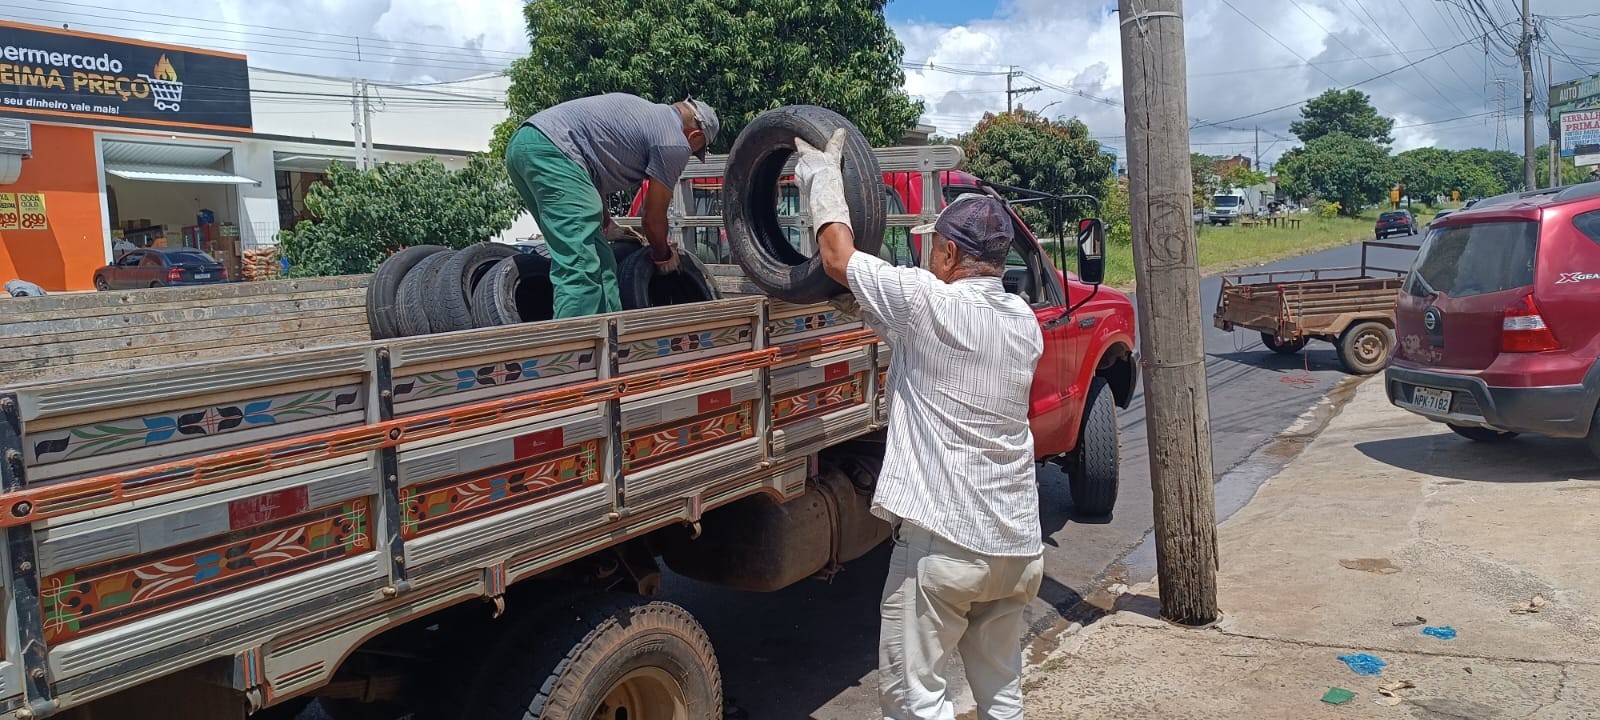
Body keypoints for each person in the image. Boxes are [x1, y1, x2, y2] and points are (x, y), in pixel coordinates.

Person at [795, 129, 1045, 720]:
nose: (926, 256)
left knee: (916, 701)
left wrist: (821, 179)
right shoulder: (1023, 322)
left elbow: (836, 257)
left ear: (952, 256)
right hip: (1016, 548)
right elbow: (905, 330)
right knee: (1002, 695)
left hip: (945, 547)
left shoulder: (926, 301)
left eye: (934, 247)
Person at [505, 93, 720, 318]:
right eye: (696, 151)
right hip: (553, 152)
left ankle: (610, 338)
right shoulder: (674, 142)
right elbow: (652, 219)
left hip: (525, 146)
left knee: (603, 260)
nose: (690, 155)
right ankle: (572, 349)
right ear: (695, 136)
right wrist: (663, 256)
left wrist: (606, 221)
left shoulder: (648, 115)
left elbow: (592, 161)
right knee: (580, 263)